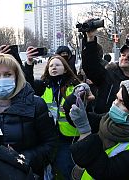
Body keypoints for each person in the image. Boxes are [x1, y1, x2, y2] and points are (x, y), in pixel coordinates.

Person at [0, 53, 58, 178]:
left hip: (27, 174)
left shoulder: (36, 105)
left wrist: (21, 158)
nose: (2, 79)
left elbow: (51, 145)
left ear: (16, 77)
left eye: (7, 74)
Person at [69, 77, 129, 179]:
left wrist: (85, 132)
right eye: (116, 98)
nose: (115, 103)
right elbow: (84, 118)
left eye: (122, 102)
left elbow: (106, 172)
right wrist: (77, 98)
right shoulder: (108, 120)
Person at [25, 50, 81, 179]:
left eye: (57, 65)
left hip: (68, 137)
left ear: (66, 69)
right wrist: (29, 63)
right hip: (47, 136)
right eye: (51, 66)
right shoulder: (43, 86)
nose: (54, 67)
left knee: (66, 168)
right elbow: (27, 83)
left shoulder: (75, 87)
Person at [82, 29, 129, 114]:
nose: (125, 58)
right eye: (123, 55)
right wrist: (90, 39)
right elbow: (90, 67)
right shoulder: (108, 75)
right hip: (104, 122)